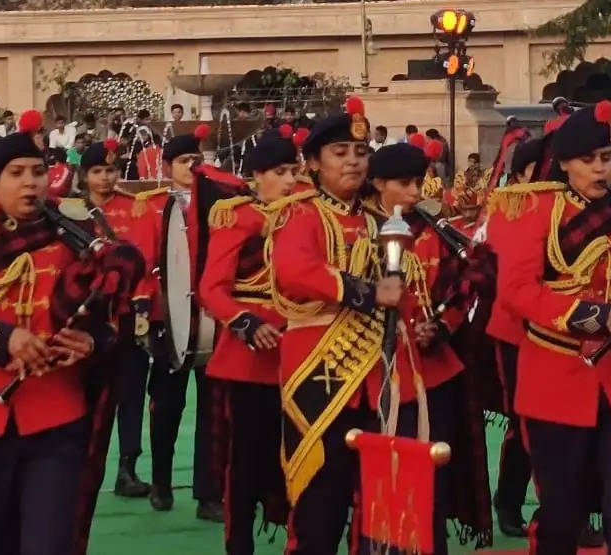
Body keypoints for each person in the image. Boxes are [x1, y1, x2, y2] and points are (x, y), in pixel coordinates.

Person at [0, 110, 144, 555]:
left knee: (49, 542)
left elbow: (110, 314)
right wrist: (2, 340)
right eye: (16, 173)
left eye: (39, 172)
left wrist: (93, 344)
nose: (31, 183)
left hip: (56, 417)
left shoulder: (79, 237)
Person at [493, 101, 611, 555]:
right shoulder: (534, 210)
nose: (600, 169)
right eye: (588, 160)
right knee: (562, 513)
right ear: (566, 164)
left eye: (606, 158)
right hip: (555, 377)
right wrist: (596, 316)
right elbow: (517, 291)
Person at [270, 95, 417, 555]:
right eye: (339, 153)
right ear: (313, 163)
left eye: (360, 152)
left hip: (376, 375)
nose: (353, 161)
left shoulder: (379, 222)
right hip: (321, 372)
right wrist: (370, 292)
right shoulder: (300, 213)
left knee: (379, 506)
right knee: (320, 505)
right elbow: (295, 271)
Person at [366, 135, 494, 552]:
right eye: (404, 183)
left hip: (433, 371)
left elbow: (463, 284)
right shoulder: (360, 228)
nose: (416, 192)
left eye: (418, 181)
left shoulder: (435, 230)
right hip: (373, 372)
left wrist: (441, 326)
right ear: (378, 185)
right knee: (383, 480)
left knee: (432, 477)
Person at [195, 125, 302, 555]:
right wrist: (242, 323)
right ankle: (238, 544)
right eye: (281, 171)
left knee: (301, 459)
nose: (291, 180)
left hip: (301, 351)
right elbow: (211, 288)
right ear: (257, 176)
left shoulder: (308, 215)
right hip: (248, 358)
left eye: (294, 170)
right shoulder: (237, 217)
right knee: (243, 466)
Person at [127, 123, 223, 517]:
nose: (191, 168)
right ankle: (162, 481)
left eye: (196, 161)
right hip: (169, 317)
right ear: (166, 166)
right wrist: (148, 312)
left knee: (214, 409)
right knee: (166, 406)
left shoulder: (218, 204)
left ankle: (208, 493)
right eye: (184, 161)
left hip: (213, 318)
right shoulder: (150, 206)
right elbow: (142, 263)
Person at [73, 138, 157, 502]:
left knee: (131, 396)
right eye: (97, 171)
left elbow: (147, 260)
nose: (105, 178)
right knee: (80, 396)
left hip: (128, 318)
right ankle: (76, 464)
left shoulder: (137, 209)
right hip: (85, 321)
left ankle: (127, 467)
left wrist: (141, 306)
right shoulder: (70, 213)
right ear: (84, 175)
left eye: (110, 170)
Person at [480, 137, 545, 538]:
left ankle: (566, 510)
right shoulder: (508, 210)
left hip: (567, 332)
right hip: (518, 332)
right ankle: (509, 500)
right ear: (523, 173)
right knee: (527, 425)